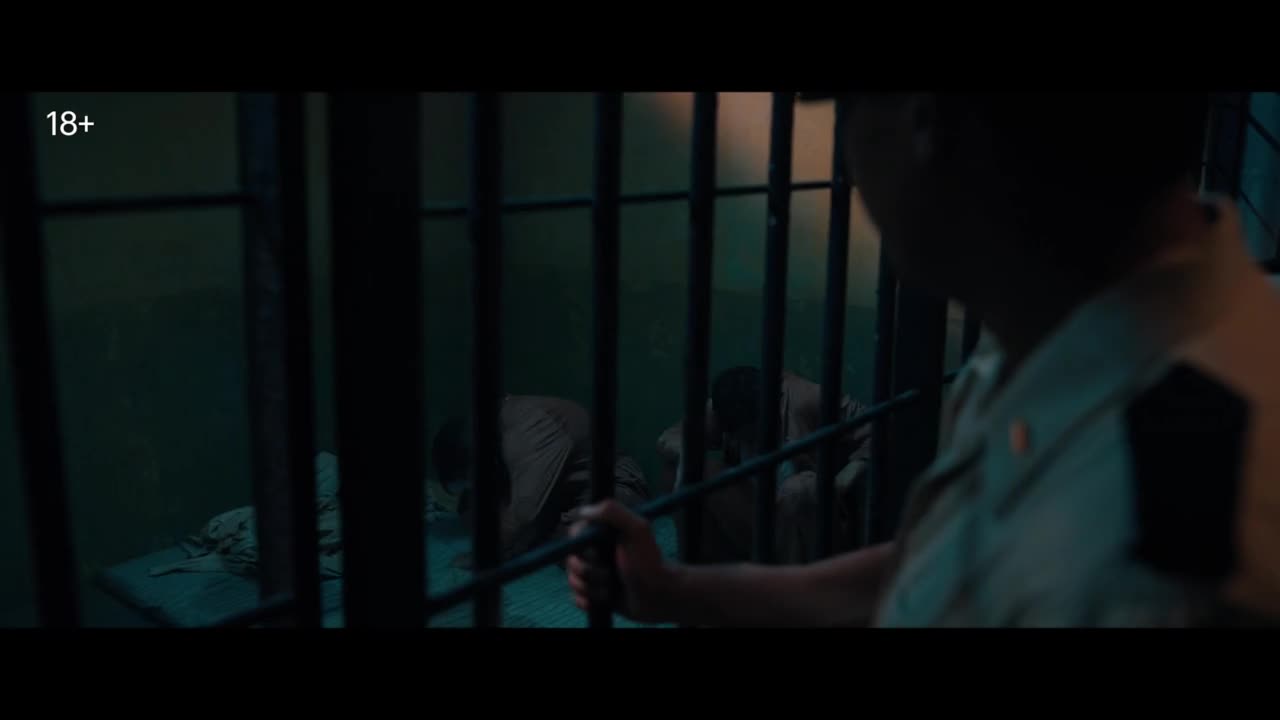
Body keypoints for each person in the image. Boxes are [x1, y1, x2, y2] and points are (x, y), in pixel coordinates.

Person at [568, 92, 1280, 626]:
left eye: (850, 112)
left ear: (926, 123)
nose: (847, 159)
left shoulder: (1147, 554)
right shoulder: (1048, 334)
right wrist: (680, 593)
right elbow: (952, 562)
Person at [656, 367, 871, 564]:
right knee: (684, 470)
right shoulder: (724, 409)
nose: (754, 442)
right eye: (746, 437)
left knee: (799, 489)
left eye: (758, 431)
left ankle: (792, 581)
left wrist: (842, 480)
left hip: (810, 520)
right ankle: (716, 571)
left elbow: (876, 425)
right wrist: (687, 462)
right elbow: (669, 438)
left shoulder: (806, 397)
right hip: (760, 512)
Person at [433, 394, 649, 568]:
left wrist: (484, 555)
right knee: (471, 509)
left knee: (582, 547)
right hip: (559, 496)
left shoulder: (530, 429)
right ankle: (545, 536)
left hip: (611, 486)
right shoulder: (496, 429)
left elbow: (521, 514)